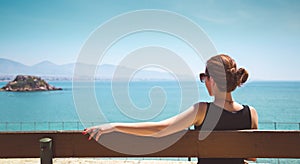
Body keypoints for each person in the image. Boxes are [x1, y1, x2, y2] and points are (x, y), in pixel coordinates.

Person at [83, 54, 258, 164]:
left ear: (212, 79)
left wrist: (114, 126)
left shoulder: (203, 110)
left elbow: (160, 129)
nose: (204, 82)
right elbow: (251, 157)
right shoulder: (251, 113)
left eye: (204, 77)